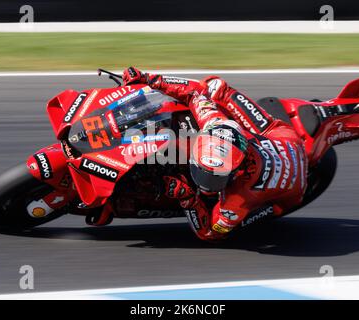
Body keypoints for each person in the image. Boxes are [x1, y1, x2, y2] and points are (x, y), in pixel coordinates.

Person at [122, 67, 308, 241]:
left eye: (215, 179)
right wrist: (148, 80)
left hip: (292, 186)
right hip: (279, 141)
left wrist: (187, 199)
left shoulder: (237, 200)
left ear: (237, 172)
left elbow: (210, 233)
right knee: (215, 86)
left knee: (240, 221)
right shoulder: (216, 125)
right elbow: (195, 92)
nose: (204, 183)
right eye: (201, 171)